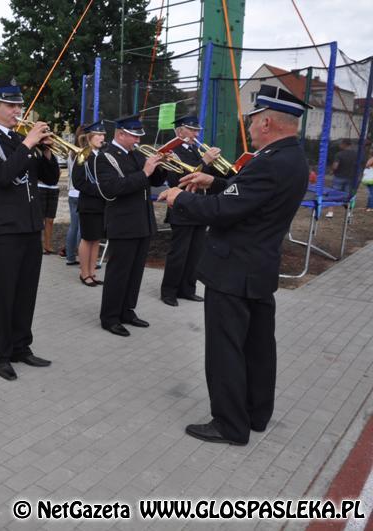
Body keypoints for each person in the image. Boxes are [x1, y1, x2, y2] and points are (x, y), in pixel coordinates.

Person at [158, 84, 311, 445]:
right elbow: (248, 198)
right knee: (258, 347)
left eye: (254, 118)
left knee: (226, 349)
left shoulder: (270, 163)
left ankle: (229, 424)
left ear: (268, 122)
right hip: (258, 268)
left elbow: (224, 212)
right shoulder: (292, 160)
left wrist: (179, 197)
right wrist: (214, 181)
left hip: (233, 272)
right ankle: (256, 414)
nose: (251, 124)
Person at [0, 78, 59, 381]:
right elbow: (1, 176)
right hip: (4, 229)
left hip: (29, 226)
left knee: (26, 292)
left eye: (19, 104)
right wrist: (29, 143)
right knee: (5, 293)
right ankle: (1, 352)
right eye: (10, 105)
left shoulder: (24, 140)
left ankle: (22, 346)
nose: (17, 110)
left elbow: (48, 176)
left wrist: (46, 151)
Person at [97, 114, 168, 337]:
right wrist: (145, 171)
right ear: (120, 134)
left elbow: (154, 182)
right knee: (119, 272)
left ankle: (127, 310)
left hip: (142, 222)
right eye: (133, 136)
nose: (137, 140)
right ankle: (109, 317)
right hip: (123, 223)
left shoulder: (136, 154)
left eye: (138, 136)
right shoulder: (106, 157)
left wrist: (160, 165)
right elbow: (113, 189)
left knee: (135, 272)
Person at [160, 115, 222, 307]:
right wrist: (205, 161)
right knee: (178, 253)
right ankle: (169, 291)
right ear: (180, 131)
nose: (196, 134)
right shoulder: (173, 152)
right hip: (181, 208)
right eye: (192, 130)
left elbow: (207, 177)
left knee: (195, 253)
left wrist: (217, 167)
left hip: (199, 207)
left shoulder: (195, 149)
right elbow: (179, 181)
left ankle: (187, 289)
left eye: (197, 131)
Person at [71, 121, 108, 287]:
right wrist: (98, 190)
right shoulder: (83, 155)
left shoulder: (103, 155)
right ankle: (84, 273)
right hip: (89, 204)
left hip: (102, 204)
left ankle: (92, 271)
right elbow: (78, 182)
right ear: (90, 137)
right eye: (99, 135)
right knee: (87, 239)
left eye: (103, 135)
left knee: (96, 238)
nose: (102, 138)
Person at [63, 126, 84, 267]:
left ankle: (70, 257)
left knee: (73, 227)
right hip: (80, 193)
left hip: (72, 192)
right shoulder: (82, 152)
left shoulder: (71, 151)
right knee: (82, 229)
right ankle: (84, 259)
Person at [326, 138, 357, 219]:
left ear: (344, 144)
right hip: (350, 178)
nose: (340, 145)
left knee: (333, 194)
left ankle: (330, 212)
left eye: (340, 144)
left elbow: (335, 166)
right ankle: (349, 213)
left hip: (339, 177)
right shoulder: (356, 154)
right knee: (348, 195)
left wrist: (331, 171)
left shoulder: (339, 154)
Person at [38, 155, 61, 254]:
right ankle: (39, 245)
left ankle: (47, 245)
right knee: (40, 219)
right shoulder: (39, 153)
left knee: (50, 219)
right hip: (41, 187)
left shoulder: (54, 156)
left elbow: (58, 171)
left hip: (54, 188)